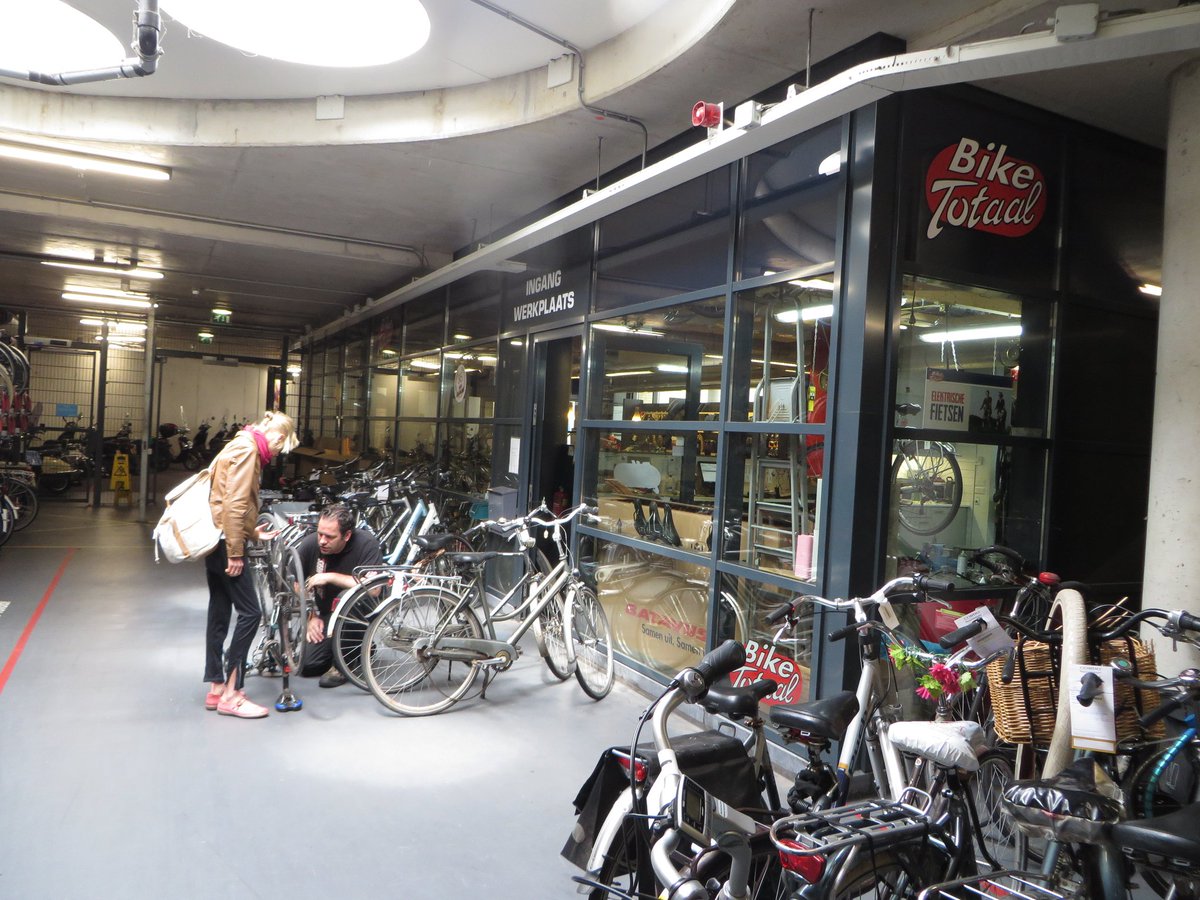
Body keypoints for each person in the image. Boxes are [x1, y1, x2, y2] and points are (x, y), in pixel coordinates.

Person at [203, 410, 299, 719]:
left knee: (219, 608)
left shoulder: (237, 443)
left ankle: (216, 686)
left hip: (216, 539)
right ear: (278, 438)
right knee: (250, 613)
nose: (274, 455)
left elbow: (224, 497)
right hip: (226, 544)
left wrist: (251, 531)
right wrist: (236, 550)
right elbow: (235, 503)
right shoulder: (249, 451)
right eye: (278, 449)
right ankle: (233, 693)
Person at [295, 503, 384, 687]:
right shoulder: (311, 544)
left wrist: (331, 577)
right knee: (307, 665)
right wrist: (312, 615)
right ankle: (360, 647)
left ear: (347, 535)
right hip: (328, 614)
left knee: (348, 596)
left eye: (329, 537)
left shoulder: (366, 544)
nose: (322, 541)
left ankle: (343, 663)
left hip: (359, 613)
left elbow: (374, 589)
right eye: (320, 534)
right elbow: (296, 583)